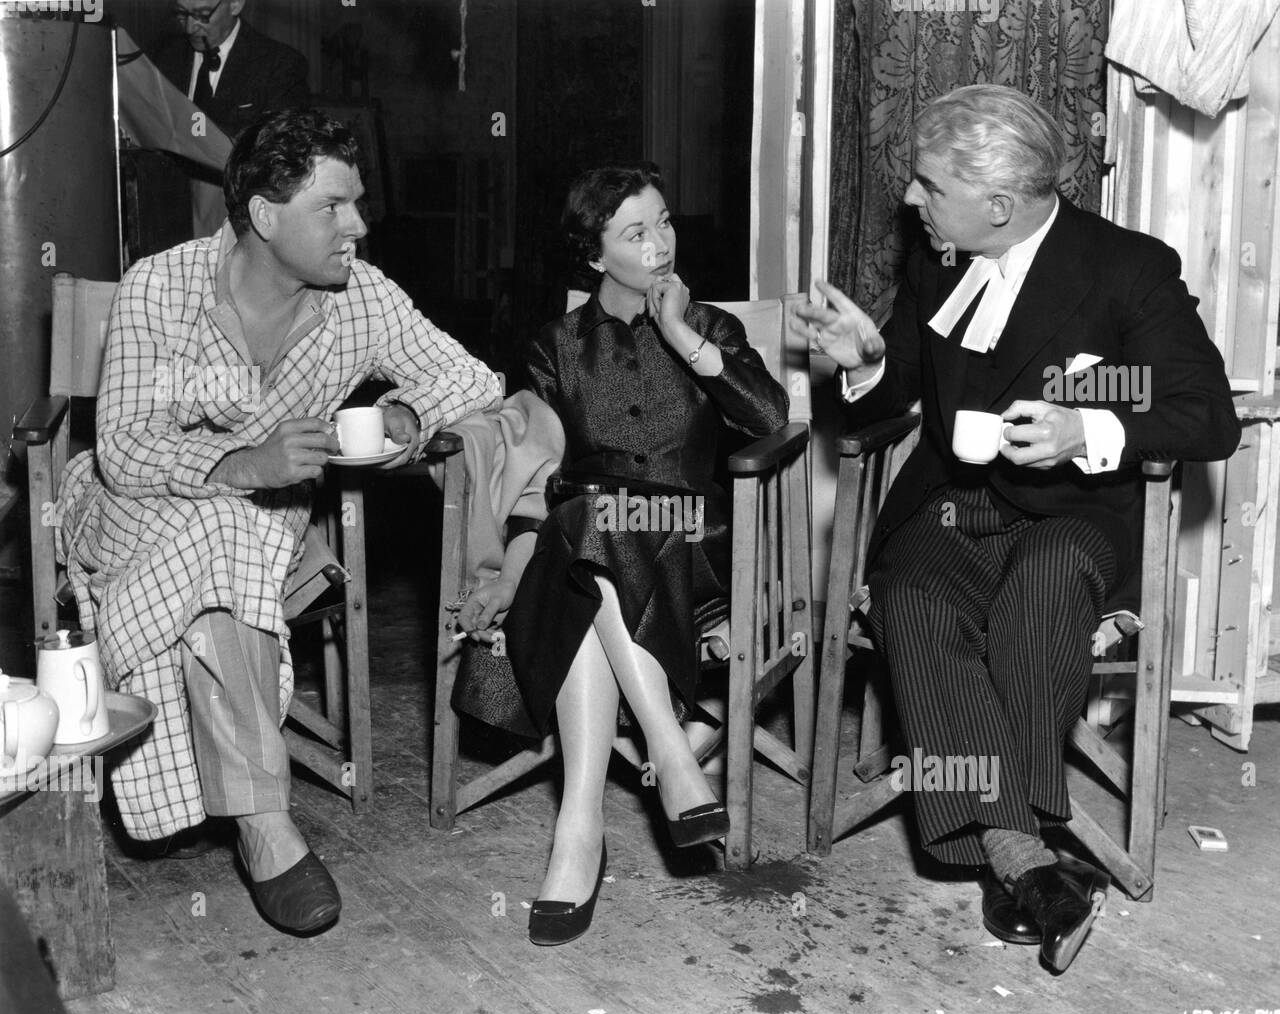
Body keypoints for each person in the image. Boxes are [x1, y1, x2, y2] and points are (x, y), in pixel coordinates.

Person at [793, 85, 1239, 974]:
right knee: (910, 595)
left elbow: (1206, 413)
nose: (910, 202)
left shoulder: (1127, 269)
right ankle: (1026, 852)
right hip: (953, 504)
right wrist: (865, 362)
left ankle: (1007, 847)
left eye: (927, 185)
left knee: (1040, 591)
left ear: (1000, 205)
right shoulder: (943, 258)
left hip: (1073, 518)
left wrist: (1090, 427)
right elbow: (903, 386)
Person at [59, 109, 501, 935]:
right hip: (127, 513)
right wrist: (238, 465)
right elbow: (121, 446)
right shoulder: (165, 284)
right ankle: (266, 825)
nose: (359, 226)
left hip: (263, 541)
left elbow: (471, 378)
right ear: (265, 217)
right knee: (220, 531)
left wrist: (401, 414)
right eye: (333, 207)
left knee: (230, 542)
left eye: (357, 203)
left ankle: (251, 816)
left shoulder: (360, 297)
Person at [456, 163, 789, 945]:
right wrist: (509, 567)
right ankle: (664, 759)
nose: (662, 244)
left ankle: (580, 830)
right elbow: (537, 474)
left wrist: (685, 341)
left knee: (592, 533)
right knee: (590, 521)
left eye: (666, 222)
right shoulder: (554, 348)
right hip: (585, 541)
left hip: (694, 556)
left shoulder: (711, 328)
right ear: (594, 253)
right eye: (636, 232)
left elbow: (769, 416)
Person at [150, 0, 311, 237]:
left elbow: (278, 158)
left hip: (241, 227)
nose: (190, 28)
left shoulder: (280, 65)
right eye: (182, 15)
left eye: (202, 15)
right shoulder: (162, 58)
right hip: (171, 222)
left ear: (235, 4)